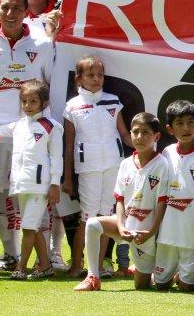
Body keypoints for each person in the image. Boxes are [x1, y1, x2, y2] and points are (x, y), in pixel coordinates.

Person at [0, 0, 54, 272]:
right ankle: (5, 253)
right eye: (5, 8)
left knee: (28, 194)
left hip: (30, 135)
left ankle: (48, 256)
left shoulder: (42, 45)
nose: (10, 14)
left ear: (26, 11)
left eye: (17, 8)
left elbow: (49, 88)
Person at [73, 112, 169, 292]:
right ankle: (93, 276)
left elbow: (162, 203)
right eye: (135, 132)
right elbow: (120, 199)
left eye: (146, 132)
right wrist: (121, 225)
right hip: (125, 227)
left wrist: (152, 232)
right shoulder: (125, 163)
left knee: (142, 286)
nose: (139, 137)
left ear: (156, 136)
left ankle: (151, 270)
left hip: (147, 233)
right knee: (93, 224)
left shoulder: (162, 164)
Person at [61, 55, 130, 277]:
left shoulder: (113, 100)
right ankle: (76, 265)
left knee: (106, 216)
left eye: (100, 75)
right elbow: (69, 144)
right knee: (88, 217)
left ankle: (98, 267)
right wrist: (68, 177)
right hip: (88, 168)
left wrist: (146, 146)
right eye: (90, 75)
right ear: (79, 78)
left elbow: (125, 135)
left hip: (113, 166)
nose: (96, 79)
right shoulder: (72, 106)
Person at [151, 99, 194, 291]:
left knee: (186, 288)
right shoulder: (167, 152)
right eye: (180, 123)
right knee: (161, 285)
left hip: (193, 233)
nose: (186, 127)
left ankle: (192, 276)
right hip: (167, 233)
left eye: (191, 122)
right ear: (170, 128)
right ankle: (173, 273)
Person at [6, 80, 62, 280]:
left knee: (28, 226)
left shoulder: (52, 127)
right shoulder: (18, 126)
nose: (27, 106)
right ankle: (45, 266)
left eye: (33, 102)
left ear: (44, 104)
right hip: (21, 184)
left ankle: (21, 268)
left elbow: (57, 158)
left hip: (41, 186)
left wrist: (55, 184)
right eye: (24, 101)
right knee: (34, 225)